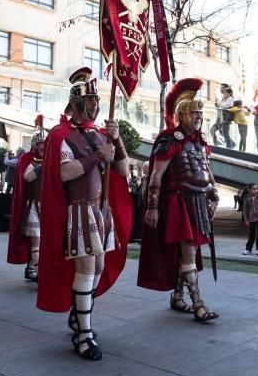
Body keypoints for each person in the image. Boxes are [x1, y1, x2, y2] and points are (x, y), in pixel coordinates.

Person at [37, 67, 131, 360]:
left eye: (95, 99)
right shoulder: (61, 135)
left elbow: (124, 170)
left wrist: (116, 141)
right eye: (88, 99)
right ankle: (84, 335)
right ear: (76, 102)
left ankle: (78, 317)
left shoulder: (101, 134)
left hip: (100, 209)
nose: (93, 104)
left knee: (98, 268)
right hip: (78, 210)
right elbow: (65, 173)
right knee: (86, 269)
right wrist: (97, 156)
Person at [140, 77, 220, 323]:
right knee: (189, 251)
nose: (198, 118)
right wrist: (152, 208)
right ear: (182, 115)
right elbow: (156, 175)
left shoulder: (200, 142)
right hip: (178, 202)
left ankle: (177, 296)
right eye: (194, 114)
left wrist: (213, 192)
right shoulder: (169, 141)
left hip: (198, 202)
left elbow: (206, 170)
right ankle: (198, 303)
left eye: (200, 115)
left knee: (189, 251)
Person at [7, 117, 46, 282]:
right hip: (32, 205)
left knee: (41, 240)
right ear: (36, 143)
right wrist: (42, 167)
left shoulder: (52, 158)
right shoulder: (28, 159)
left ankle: (31, 268)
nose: (45, 146)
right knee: (36, 239)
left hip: (46, 206)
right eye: (43, 143)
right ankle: (40, 274)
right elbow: (28, 178)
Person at [242, 183, 258, 255]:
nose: (256, 190)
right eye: (253, 189)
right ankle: (248, 249)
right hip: (251, 219)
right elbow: (245, 210)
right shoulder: (247, 198)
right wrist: (246, 220)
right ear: (249, 190)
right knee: (251, 234)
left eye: (257, 189)